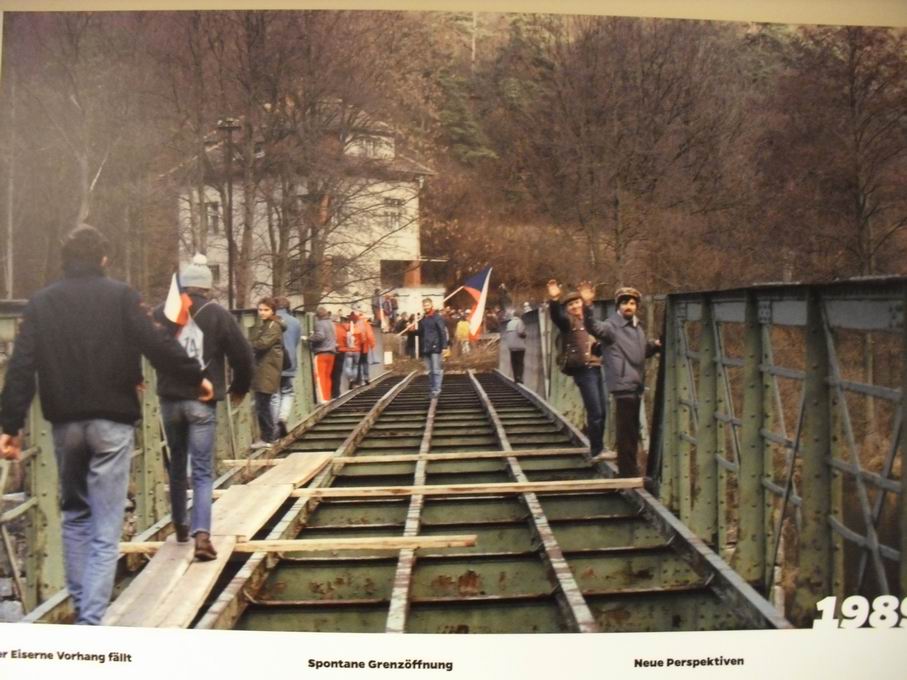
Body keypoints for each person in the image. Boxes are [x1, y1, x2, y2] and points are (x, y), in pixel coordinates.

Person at [0, 224, 213, 625]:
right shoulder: (121, 296)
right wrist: (194, 377)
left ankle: (84, 610)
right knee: (105, 524)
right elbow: (156, 344)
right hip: (113, 421)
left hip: (66, 423)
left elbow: (22, 365)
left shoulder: (42, 303)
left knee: (74, 514)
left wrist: (9, 426)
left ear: (65, 260)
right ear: (103, 259)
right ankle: (91, 621)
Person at [154, 254, 253, 561]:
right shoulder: (218, 315)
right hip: (202, 402)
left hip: (170, 399)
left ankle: (180, 525)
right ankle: (202, 536)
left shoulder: (163, 312)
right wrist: (239, 388)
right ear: (208, 288)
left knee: (177, 463)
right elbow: (243, 356)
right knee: (201, 469)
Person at [582, 284, 661, 477]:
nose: (628, 306)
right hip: (623, 384)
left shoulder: (637, 327)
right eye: (624, 303)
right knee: (626, 431)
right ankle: (628, 472)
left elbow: (640, 351)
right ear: (618, 306)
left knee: (631, 429)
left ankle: (630, 468)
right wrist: (588, 305)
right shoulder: (611, 327)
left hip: (635, 384)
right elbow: (593, 327)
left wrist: (655, 345)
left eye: (632, 303)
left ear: (637, 306)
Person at [546, 279, 606, 460]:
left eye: (577, 302)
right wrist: (554, 300)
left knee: (601, 411)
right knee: (595, 411)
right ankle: (596, 450)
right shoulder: (568, 322)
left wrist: (589, 303)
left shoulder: (590, 321)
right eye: (570, 305)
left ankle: (599, 447)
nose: (574, 306)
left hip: (596, 368)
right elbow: (557, 317)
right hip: (583, 371)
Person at [249, 297, 285, 446]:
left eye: (266, 310)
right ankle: (269, 436)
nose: (262, 313)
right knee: (263, 404)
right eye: (260, 310)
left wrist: (245, 344)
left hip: (268, 369)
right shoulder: (268, 324)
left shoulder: (272, 326)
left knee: (262, 404)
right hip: (266, 368)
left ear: (273, 311)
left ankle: (268, 438)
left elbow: (262, 344)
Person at [408, 297, 448, 399]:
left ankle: (436, 390)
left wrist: (444, 346)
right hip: (426, 348)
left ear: (431, 305)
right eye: (424, 305)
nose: (426, 307)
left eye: (427, 305)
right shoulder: (423, 319)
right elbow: (421, 332)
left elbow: (442, 332)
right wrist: (412, 331)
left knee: (436, 370)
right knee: (430, 371)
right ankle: (433, 389)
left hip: (435, 347)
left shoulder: (437, 317)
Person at [273, 296, 301, 437]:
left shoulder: (271, 320)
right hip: (289, 361)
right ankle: (282, 418)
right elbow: (296, 342)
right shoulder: (296, 322)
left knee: (274, 395)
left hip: (273, 362)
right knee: (288, 392)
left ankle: (274, 428)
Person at [309, 306, 337, 402]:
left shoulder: (319, 323)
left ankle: (323, 399)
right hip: (331, 353)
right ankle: (327, 397)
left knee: (320, 377)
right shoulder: (331, 323)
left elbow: (320, 336)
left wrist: (309, 338)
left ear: (318, 316)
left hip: (321, 353)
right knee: (327, 376)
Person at [337, 311, 364, 389]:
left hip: (348, 350)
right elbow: (363, 339)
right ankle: (354, 381)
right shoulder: (357, 328)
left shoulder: (342, 329)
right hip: (357, 350)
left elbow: (341, 340)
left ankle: (350, 379)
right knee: (355, 366)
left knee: (348, 367)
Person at [501, 308, 528, 383]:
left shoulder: (509, 323)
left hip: (511, 346)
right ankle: (520, 377)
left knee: (514, 362)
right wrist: (525, 335)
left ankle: (515, 378)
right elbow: (520, 332)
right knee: (520, 362)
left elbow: (507, 333)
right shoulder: (519, 322)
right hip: (519, 346)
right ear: (519, 315)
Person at [357, 315, 376, 386]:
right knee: (365, 362)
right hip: (364, 346)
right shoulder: (366, 325)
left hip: (356, 347)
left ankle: (359, 380)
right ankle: (366, 378)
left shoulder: (355, 324)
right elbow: (370, 336)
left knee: (357, 363)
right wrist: (372, 345)